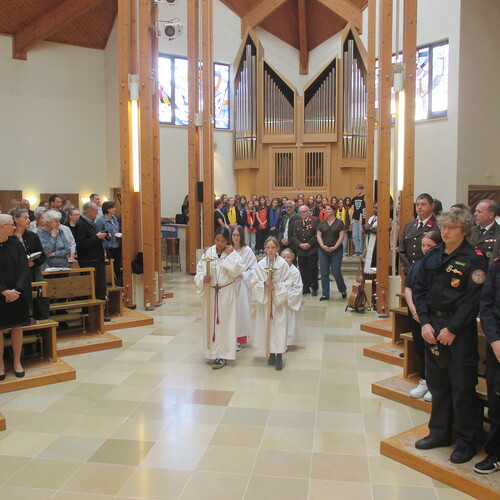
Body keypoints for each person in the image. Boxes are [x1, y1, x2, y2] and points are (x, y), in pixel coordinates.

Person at [413, 208, 488, 464]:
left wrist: (453, 329)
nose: (445, 231)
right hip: (432, 325)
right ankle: (439, 433)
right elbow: (420, 289)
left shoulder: (475, 258)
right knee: (438, 384)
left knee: (461, 387)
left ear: (464, 231)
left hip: (459, 329)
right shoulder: (433, 254)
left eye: (452, 228)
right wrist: (424, 323)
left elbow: (473, 299)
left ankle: (466, 442)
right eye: (444, 227)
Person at [194, 227, 244, 369]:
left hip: (226, 292)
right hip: (211, 293)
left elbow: (238, 270)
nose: (219, 243)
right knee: (211, 323)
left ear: (227, 241)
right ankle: (212, 352)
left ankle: (224, 354)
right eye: (217, 240)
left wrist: (230, 257)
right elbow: (200, 270)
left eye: (222, 241)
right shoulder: (208, 253)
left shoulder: (231, 253)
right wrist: (203, 278)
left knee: (225, 323)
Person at [404, 231, 442, 402]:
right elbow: (409, 289)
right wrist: (414, 311)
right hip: (416, 314)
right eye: (424, 245)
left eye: (430, 246)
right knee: (420, 349)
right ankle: (424, 381)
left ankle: (435, 385)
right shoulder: (417, 265)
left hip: (432, 316)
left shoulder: (442, 265)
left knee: (434, 352)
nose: (426, 249)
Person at [250, 237, 292, 370]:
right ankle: (270, 353)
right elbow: (254, 282)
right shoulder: (260, 265)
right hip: (266, 301)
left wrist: (277, 287)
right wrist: (263, 284)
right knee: (268, 327)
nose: (270, 250)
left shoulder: (283, 264)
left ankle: (279, 355)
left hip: (278, 302)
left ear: (277, 249)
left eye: (273, 247)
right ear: (264, 248)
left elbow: (288, 282)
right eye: (268, 247)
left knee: (279, 327)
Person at [475, 254, 500, 474]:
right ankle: (495, 453)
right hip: (498, 347)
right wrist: (495, 341)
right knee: (496, 402)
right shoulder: (496, 266)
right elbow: (487, 305)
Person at [0, 214, 32, 379]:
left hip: (17, 294)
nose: (14, 227)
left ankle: (17, 362)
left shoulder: (16, 244)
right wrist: (4, 291)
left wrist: (16, 290)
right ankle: (0, 365)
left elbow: (23, 269)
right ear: (1, 227)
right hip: (2, 294)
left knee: (17, 327)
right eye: (10, 224)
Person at [75, 202, 110, 320]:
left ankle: (99, 312)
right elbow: (81, 244)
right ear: (88, 211)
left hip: (97, 259)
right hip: (89, 261)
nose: (97, 212)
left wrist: (100, 238)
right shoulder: (81, 224)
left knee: (100, 288)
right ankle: (91, 313)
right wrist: (97, 237)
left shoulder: (91, 223)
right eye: (95, 210)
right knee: (91, 288)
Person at [230, 225, 257, 351]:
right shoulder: (228, 250)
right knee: (229, 312)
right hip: (229, 285)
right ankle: (230, 337)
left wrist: (243, 274)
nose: (235, 238)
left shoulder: (247, 251)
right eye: (233, 235)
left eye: (238, 235)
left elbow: (254, 269)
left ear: (241, 237)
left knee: (241, 312)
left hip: (242, 285)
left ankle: (240, 339)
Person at [398, 193, 437, 275]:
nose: (419, 207)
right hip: (410, 272)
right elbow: (402, 249)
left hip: (429, 272)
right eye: (417, 204)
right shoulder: (409, 225)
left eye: (423, 204)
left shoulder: (437, 226)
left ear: (432, 206)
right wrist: (407, 269)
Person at [317, 204, 347, 301]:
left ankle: (342, 289)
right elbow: (318, 236)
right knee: (324, 272)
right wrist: (322, 246)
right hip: (323, 250)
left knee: (336, 271)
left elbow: (341, 236)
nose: (327, 211)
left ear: (334, 211)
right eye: (326, 209)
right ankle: (325, 294)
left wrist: (335, 247)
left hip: (336, 251)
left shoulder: (339, 223)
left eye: (329, 209)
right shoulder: (322, 223)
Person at [11, 208, 46, 282]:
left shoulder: (32, 236)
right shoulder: (9, 237)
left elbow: (42, 255)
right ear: (16, 219)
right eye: (25, 218)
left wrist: (34, 262)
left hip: (32, 273)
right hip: (14, 274)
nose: (29, 220)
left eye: (28, 218)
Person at [291, 205, 319, 296]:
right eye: (301, 212)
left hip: (312, 249)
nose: (302, 214)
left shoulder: (315, 221)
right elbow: (294, 236)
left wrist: (309, 243)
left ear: (308, 212)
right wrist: (300, 244)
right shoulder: (296, 222)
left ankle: (314, 287)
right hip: (301, 251)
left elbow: (317, 234)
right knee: (303, 270)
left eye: (304, 212)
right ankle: (305, 287)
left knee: (313, 269)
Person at [281, 248, 304, 347]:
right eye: (284, 257)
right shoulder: (278, 268)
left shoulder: (295, 271)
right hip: (279, 299)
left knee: (289, 322)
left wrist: (288, 298)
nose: (286, 259)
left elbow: (298, 287)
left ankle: (288, 342)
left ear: (292, 258)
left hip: (289, 300)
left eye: (288, 257)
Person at [96, 201, 122, 286]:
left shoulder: (115, 219)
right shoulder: (101, 220)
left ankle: (118, 283)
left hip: (116, 246)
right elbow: (99, 235)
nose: (115, 209)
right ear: (108, 209)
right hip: (108, 247)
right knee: (109, 267)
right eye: (113, 207)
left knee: (117, 266)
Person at [350, 184, 366, 257]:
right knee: (355, 235)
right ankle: (357, 250)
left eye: (359, 189)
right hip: (355, 218)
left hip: (361, 218)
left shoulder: (364, 198)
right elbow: (352, 209)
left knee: (360, 236)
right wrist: (351, 219)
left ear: (362, 189)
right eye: (357, 189)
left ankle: (361, 250)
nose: (358, 190)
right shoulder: (354, 199)